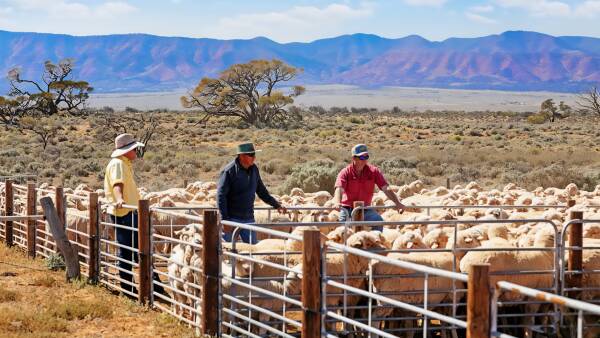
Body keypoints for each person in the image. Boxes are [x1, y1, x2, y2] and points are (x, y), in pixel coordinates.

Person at [104, 133, 165, 296]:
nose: (136, 151)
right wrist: (120, 199)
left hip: (127, 212)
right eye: (134, 149)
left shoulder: (122, 163)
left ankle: (151, 287)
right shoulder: (118, 164)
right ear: (126, 150)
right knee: (131, 251)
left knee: (137, 249)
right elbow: (117, 184)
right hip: (125, 213)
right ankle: (133, 289)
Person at [217, 142, 286, 244]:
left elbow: (262, 192)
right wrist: (224, 220)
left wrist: (277, 205)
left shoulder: (254, 170)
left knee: (252, 250)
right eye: (251, 155)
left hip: (248, 218)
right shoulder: (229, 171)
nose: (254, 157)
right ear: (242, 156)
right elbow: (221, 196)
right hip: (231, 219)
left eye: (254, 154)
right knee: (227, 250)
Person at [334, 144, 405, 231]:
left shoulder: (373, 171)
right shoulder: (345, 172)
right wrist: (337, 203)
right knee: (341, 229)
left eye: (366, 157)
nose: (365, 160)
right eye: (362, 157)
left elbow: (385, 188)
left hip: (365, 209)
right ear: (354, 158)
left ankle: (374, 243)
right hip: (348, 209)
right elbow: (339, 188)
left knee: (378, 222)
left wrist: (397, 202)